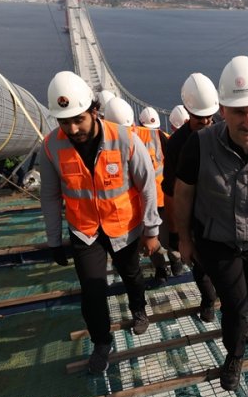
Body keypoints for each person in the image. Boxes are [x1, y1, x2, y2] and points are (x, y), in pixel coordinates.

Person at [174, 57, 248, 391]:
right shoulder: (199, 145)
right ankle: (234, 354)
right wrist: (184, 239)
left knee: (244, 295)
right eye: (239, 112)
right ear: (223, 110)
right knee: (234, 303)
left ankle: (239, 326)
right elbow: (183, 194)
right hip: (216, 242)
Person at [40, 71, 162, 374]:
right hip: (85, 232)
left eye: (78, 119)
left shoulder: (124, 139)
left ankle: (138, 309)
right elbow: (50, 197)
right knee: (92, 291)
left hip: (124, 227)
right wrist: (54, 240)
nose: (72, 128)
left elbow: (147, 185)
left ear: (94, 111)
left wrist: (151, 231)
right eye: (64, 122)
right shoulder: (51, 146)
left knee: (132, 275)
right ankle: (101, 341)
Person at [161, 73, 221, 322]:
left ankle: (237, 315)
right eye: (199, 117)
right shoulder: (176, 144)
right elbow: (170, 190)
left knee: (230, 266)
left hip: (224, 212)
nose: (206, 121)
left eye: (210, 116)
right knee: (201, 264)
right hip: (196, 216)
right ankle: (209, 300)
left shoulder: (226, 129)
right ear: (188, 111)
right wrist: (176, 232)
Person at [135, 106, 174, 284]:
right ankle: (176, 263)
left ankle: (161, 270)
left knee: (151, 237)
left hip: (144, 201)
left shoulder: (132, 137)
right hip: (165, 197)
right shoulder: (167, 138)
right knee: (169, 235)